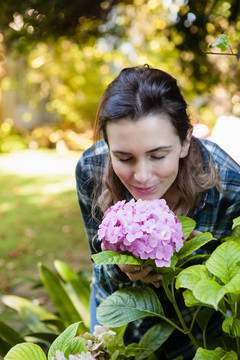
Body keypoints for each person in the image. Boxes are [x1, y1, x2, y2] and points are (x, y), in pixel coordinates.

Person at [75, 65, 240, 359]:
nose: (142, 176)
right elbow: (99, 260)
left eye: (157, 155)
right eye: (124, 157)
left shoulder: (228, 184)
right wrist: (119, 268)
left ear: (186, 140)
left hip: (201, 333)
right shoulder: (92, 168)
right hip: (119, 323)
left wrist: (202, 258)